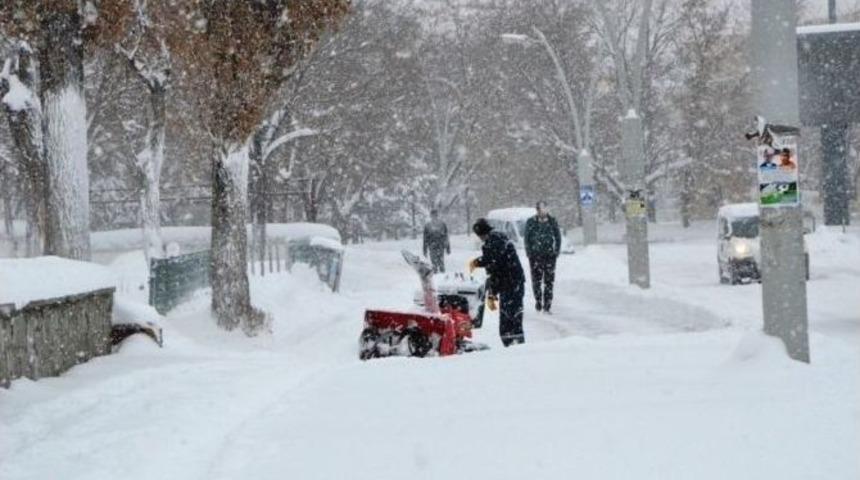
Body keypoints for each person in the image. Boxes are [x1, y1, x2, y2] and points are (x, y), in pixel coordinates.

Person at [470, 218, 525, 346]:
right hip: (512, 283)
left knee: (510, 318)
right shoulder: (496, 239)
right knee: (512, 317)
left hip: (511, 283)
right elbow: (493, 264)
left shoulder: (494, 242)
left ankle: (515, 345)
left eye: (480, 235)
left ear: (483, 233)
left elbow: (494, 265)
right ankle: (514, 343)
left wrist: (492, 294)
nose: (480, 238)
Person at [524, 201, 562, 313]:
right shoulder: (531, 222)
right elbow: (527, 238)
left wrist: (556, 251)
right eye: (541, 209)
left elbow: (558, 237)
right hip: (535, 257)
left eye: (545, 208)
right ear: (537, 210)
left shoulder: (552, 221)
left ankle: (547, 305)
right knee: (536, 281)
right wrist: (529, 253)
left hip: (550, 256)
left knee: (549, 281)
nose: (543, 211)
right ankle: (538, 301)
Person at [423, 209, 451, 273]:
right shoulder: (427, 225)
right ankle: (436, 274)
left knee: (441, 262)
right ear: (431, 216)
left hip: (440, 245)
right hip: (432, 246)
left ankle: (442, 273)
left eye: (435, 215)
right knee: (434, 262)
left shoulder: (442, 224)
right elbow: (425, 238)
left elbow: (446, 236)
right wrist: (424, 250)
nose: (434, 216)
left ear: (437, 215)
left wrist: (448, 248)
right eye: (433, 215)